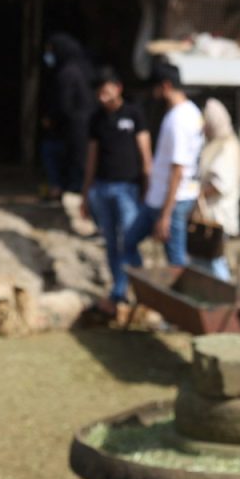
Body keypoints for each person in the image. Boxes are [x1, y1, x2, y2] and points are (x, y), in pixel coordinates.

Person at [79, 66, 150, 309]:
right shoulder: (96, 119)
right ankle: (118, 290)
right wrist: (85, 194)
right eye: (98, 91)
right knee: (111, 242)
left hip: (128, 189)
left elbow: (145, 154)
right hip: (102, 188)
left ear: (117, 88)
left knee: (129, 240)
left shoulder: (134, 114)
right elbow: (92, 158)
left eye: (105, 89)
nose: (101, 95)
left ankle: (140, 292)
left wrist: (147, 187)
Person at [126, 62, 202, 270]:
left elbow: (178, 169)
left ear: (166, 86)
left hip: (170, 200)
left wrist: (166, 215)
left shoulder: (179, 119)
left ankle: (176, 294)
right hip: (163, 197)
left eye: (155, 87)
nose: (153, 92)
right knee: (129, 242)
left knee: (175, 264)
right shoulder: (190, 112)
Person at [194, 97, 240, 282]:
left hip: (218, 215)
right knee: (204, 261)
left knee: (215, 260)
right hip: (208, 214)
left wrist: (199, 193)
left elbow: (220, 184)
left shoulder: (227, 146)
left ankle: (225, 295)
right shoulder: (215, 144)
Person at [43, 33, 94, 198]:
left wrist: (52, 119)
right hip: (82, 128)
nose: (48, 55)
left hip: (73, 129)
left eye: (51, 51)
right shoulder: (84, 68)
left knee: (53, 152)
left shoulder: (67, 73)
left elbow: (64, 105)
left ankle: (59, 189)